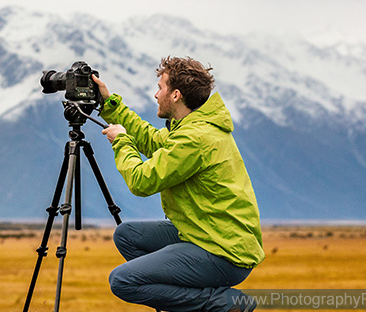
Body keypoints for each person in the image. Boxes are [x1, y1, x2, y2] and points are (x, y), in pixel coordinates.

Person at [92, 56, 263, 312]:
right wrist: (109, 103)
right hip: (205, 234)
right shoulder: (190, 127)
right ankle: (184, 302)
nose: (155, 94)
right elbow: (151, 140)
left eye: (160, 87)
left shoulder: (195, 138)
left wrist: (122, 142)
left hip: (223, 252)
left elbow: (142, 181)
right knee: (127, 236)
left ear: (175, 95)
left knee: (123, 281)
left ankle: (223, 304)